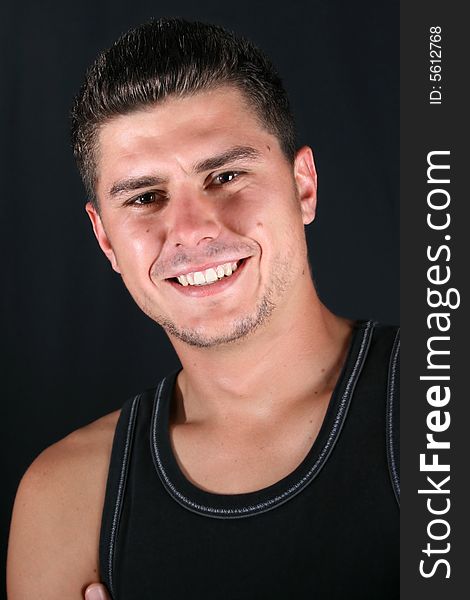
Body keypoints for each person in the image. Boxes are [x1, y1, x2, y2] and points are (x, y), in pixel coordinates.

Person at [7, 18, 399, 600]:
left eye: (226, 175)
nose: (192, 230)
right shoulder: (68, 500)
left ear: (304, 186)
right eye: (145, 197)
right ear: (107, 241)